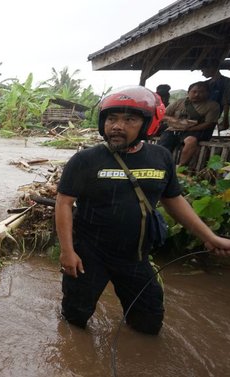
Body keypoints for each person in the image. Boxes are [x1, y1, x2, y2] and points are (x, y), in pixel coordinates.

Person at [56, 86, 230, 335]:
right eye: (112, 118)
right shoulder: (85, 160)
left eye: (129, 119)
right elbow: (64, 203)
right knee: (75, 318)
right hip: (89, 255)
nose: (117, 126)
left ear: (148, 124)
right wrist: (67, 252)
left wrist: (209, 237)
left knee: (148, 323)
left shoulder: (160, 158)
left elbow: (175, 200)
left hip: (135, 255)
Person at [157, 81, 219, 166]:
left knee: (190, 141)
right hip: (173, 130)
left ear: (208, 93)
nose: (197, 94)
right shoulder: (179, 102)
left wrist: (189, 129)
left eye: (201, 92)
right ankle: (159, 164)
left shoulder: (212, 106)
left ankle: (180, 167)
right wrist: (173, 119)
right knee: (163, 144)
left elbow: (209, 123)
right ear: (188, 92)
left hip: (196, 131)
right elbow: (162, 115)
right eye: (194, 92)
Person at [201, 61, 230, 133]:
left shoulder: (226, 82)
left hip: (212, 114)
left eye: (203, 70)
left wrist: (225, 119)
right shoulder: (205, 84)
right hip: (200, 112)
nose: (202, 74)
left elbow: (226, 101)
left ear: (212, 68)